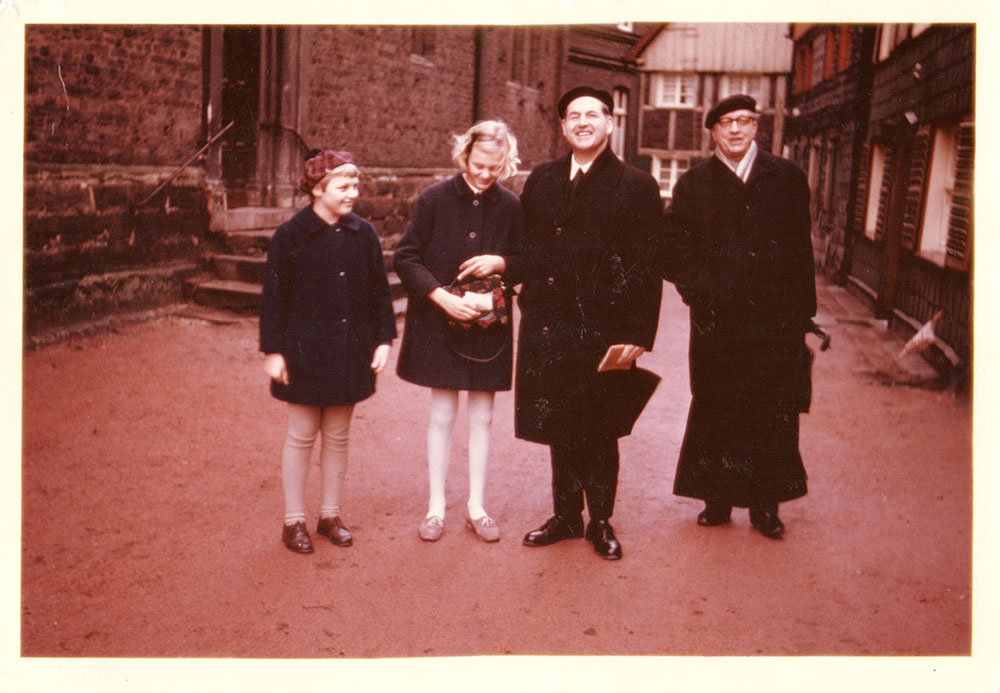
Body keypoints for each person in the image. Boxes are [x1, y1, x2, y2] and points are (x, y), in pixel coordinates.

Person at [516, 86, 663, 560]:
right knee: (560, 425)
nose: (582, 122)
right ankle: (565, 516)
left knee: (600, 427)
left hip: (604, 329)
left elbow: (646, 266)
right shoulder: (543, 179)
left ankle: (600, 520)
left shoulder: (636, 185)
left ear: (610, 123)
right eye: (573, 116)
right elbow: (526, 246)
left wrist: (637, 334)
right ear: (563, 127)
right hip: (550, 324)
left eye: (592, 115)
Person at [661, 94, 817, 539]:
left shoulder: (786, 177)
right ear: (713, 131)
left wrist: (801, 314)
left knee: (772, 410)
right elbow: (671, 249)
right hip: (718, 321)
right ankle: (717, 498)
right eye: (726, 122)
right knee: (718, 405)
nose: (735, 129)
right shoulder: (694, 184)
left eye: (744, 121)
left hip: (774, 321)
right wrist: (699, 291)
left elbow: (800, 249)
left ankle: (766, 505)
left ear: (755, 128)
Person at [393, 120, 525, 543]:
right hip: (440, 322)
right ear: (464, 156)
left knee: (483, 417)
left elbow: (527, 258)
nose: (485, 174)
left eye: (495, 167)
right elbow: (406, 257)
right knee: (442, 415)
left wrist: (502, 264)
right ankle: (436, 508)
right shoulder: (434, 198)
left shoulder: (511, 205)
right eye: (478, 165)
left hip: (488, 329)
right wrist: (438, 296)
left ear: (506, 162)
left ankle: (476, 507)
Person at [260, 149, 397, 554]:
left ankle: (330, 515)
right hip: (303, 353)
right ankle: (293, 521)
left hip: (350, 352)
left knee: (338, 436)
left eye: (356, 185)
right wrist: (273, 351)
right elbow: (273, 298)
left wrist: (383, 339)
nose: (352, 193)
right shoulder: (290, 235)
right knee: (301, 435)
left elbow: (379, 292)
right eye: (343, 186)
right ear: (318, 190)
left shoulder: (363, 234)